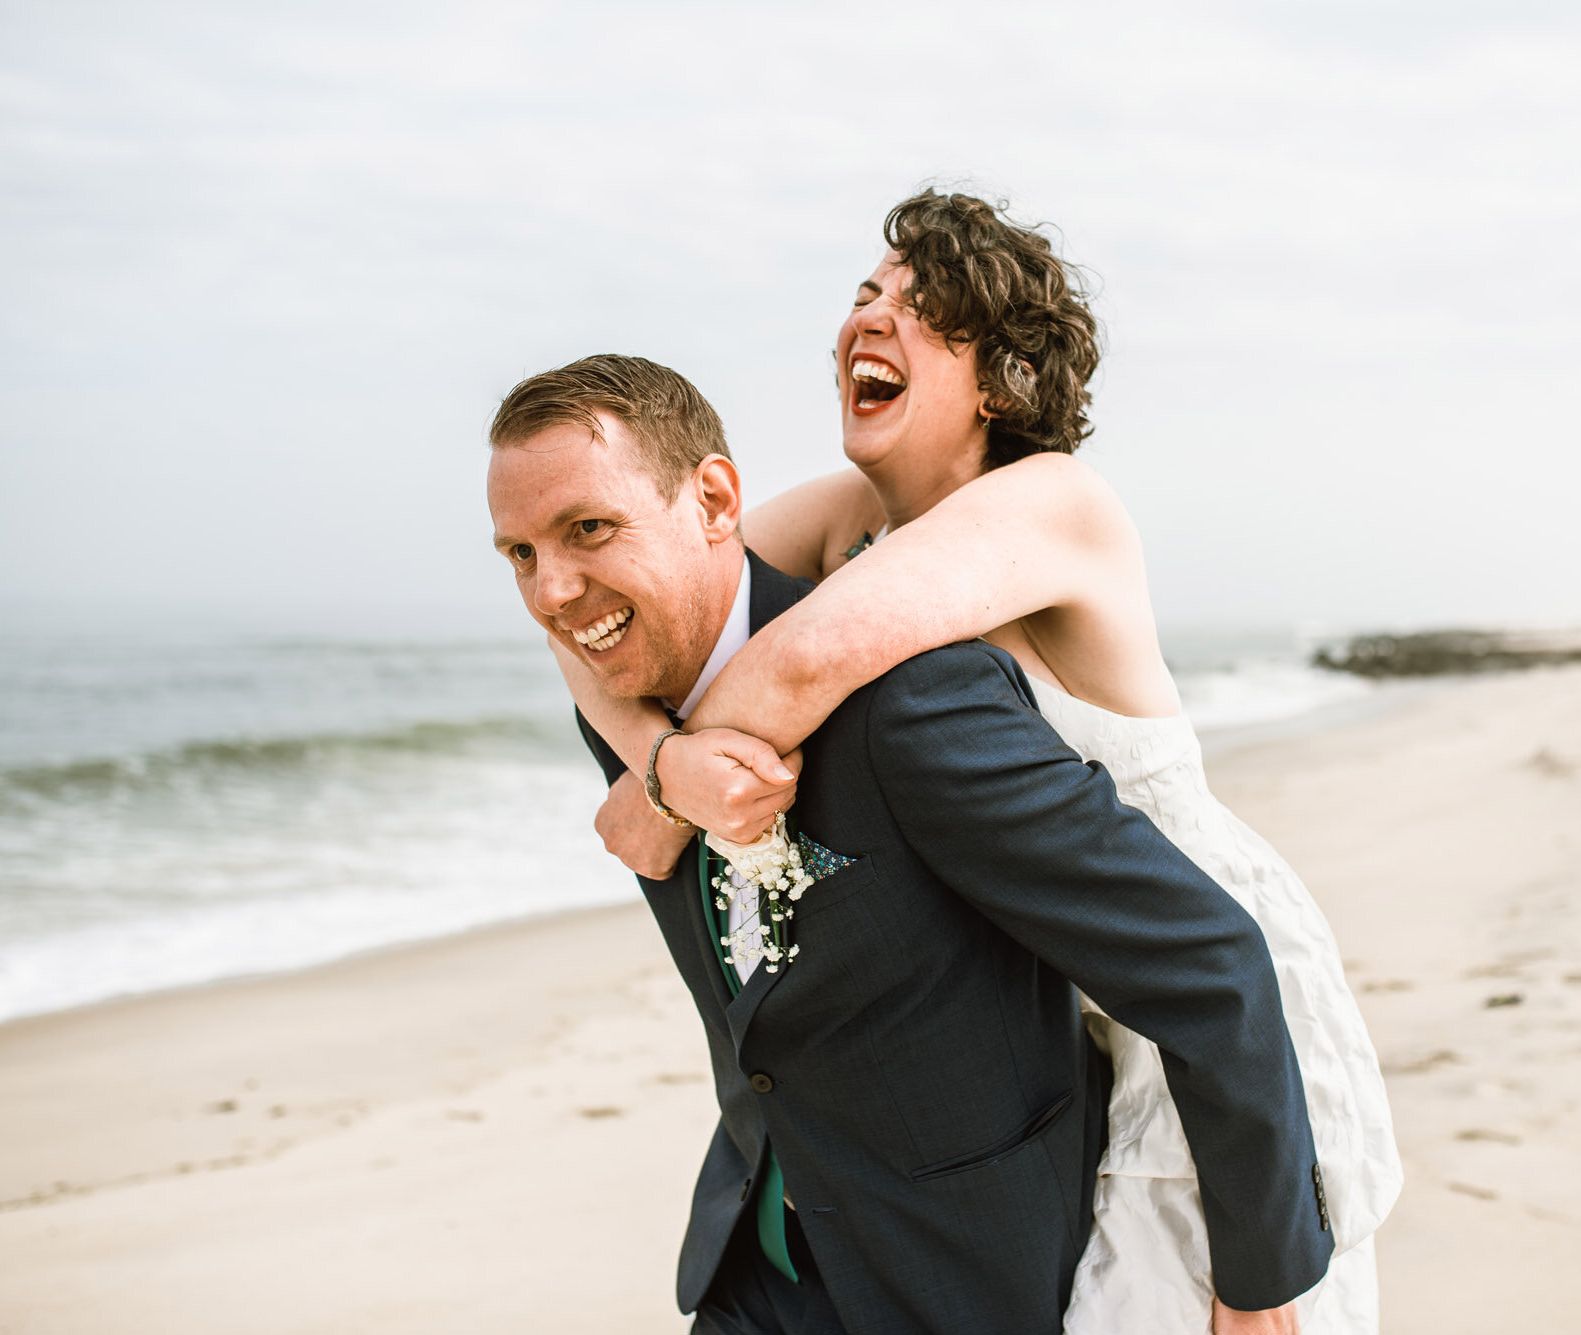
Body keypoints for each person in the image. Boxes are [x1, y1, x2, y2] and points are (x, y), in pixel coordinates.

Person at [558, 191, 1398, 1334]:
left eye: (920, 308)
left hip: (1170, 945)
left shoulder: (1053, 504)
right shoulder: (853, 515)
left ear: (1000, 378)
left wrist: (661, 788)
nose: (870, 318)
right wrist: (654, 753)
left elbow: (798, 662)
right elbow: (631, 611)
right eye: (863, 294)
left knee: (1212, 1304)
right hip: (1042, 969)